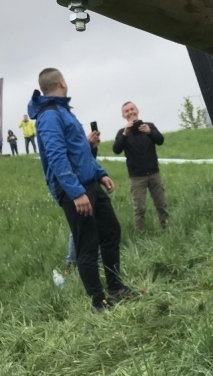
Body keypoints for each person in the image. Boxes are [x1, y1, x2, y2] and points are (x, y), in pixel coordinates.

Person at [29, 68, 135, 310]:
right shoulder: (49, 116)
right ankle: (99, 302)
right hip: (75, 191)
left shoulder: (63, 111)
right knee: (87, 245)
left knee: (111, 232)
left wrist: (100, 173)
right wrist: (76, 193)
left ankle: (115, 287)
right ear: (61, 82)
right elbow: (57, 158)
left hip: (91, 183)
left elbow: (78, 152)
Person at [112, 101, 169, 232]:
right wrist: (125, 134)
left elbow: (160, 140)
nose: (130, 112)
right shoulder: (122, 132)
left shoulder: (149, 126)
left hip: (154, 173)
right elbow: (116, 149)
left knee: (161, 204)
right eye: (126, 111)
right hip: (136, 176)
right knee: (139, 209)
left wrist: (150, 132)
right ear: (123, 116)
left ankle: (167, 229)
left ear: (137, 110)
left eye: (132, 109)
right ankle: (140, 234)